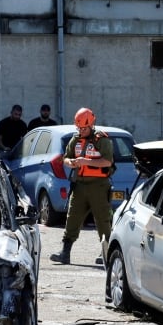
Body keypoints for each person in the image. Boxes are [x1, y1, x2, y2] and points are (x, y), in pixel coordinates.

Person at [50, 107, 114, 265]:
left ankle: (106, 253)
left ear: (91, 125)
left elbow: (107, 161)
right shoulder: (75, 139)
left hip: (98, 185)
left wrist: (86, 161)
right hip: (79, 184)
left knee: (103, 219)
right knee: (72, 217)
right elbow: (66, 157)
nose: (81, 130)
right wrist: (70, 163)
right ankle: (65, 252)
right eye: (78, 127)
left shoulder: (102, 140)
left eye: (83, 128)